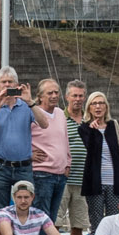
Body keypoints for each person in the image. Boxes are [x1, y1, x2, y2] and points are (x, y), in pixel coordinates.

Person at [0, 66, 35, 209]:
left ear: (17, 85)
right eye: (3, 82)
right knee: (0, 209)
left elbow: (45, 123)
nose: (7, 85)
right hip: (0, 166)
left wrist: (30, 102)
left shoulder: (27, 106)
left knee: (25, 207)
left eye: (10, 82)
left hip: (23, 166)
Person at [77, 90, 119, 228]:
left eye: (101, 103)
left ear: (106, 106)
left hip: (115, 182)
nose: (98, 107)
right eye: (94, 104)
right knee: (97, 222)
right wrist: (93, 131)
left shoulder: (115, 125)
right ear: (89, 107)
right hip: (95, 183)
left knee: (115, 221)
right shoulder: (84, 128)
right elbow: (92, 150)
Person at [30, 79, 72, 221]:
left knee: (52, 220)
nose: (54, 95)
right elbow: (21, 137)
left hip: (60, 175)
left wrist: (68, 163)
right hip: (41, 174)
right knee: (41, 218)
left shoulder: (60, 113)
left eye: (56, 92)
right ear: (40, 96)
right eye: (50, 93)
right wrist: (28, 155)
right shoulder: (32, 114)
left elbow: (65, 139)